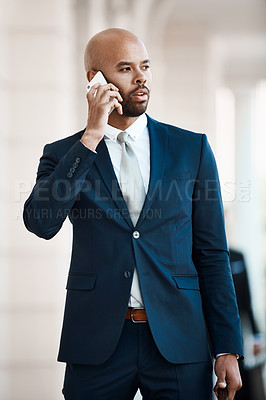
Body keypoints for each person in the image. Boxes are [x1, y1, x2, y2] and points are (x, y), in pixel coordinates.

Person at [23, 28, 243, 400]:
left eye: (145, 65)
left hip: (179, 341)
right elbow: (40, 222)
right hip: (97, 342)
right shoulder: (65, 155)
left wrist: (226, 346)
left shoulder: (192, 149)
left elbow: (212, 255)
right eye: (125, 68)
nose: (141, 77)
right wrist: (91, 136)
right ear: (95, 79)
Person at [229, 248, 265, 400]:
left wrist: (257, 336)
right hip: (202, 328)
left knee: (239, 374)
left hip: (235, 328)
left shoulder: (238, 256)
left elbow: (247, 299)